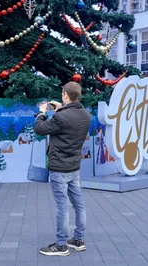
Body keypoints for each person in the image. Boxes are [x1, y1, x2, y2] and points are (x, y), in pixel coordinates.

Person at [34, 82, 91, 256]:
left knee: (62, 207)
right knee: (79, 204)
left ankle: (61, 245)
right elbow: (68, 121)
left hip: (59, 168)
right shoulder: (85, 115)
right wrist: (61, 109)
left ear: (65, 94)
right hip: (74, 167)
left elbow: (40, 129)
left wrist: (42, 112)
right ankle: (78, 240)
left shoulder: (62, 117)